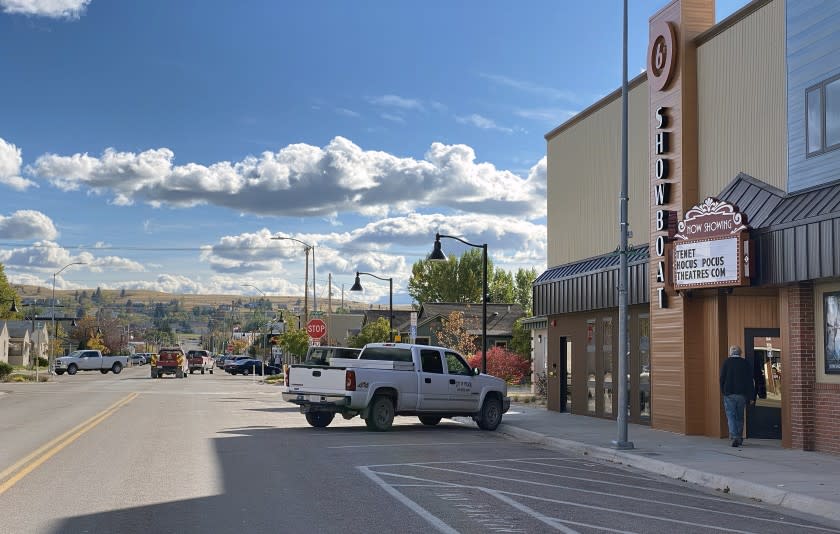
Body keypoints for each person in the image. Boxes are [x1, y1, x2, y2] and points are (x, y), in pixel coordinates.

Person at [719, 345, 755, 447]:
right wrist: (751, 396)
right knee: (739, 416)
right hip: (742, 394)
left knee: (730, 415)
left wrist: (723, 391)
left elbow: (722, 378)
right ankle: (739, 437)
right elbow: (749, 381)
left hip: (729, 394)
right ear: (740, 352)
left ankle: (734, 436)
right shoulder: (745, 363)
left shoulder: (726, 362)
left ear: (731, 352)